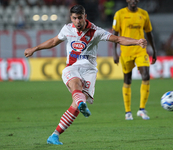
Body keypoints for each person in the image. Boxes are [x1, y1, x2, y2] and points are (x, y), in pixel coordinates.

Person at [24, 4, 147, 145]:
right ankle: (81, 102)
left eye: (80, 18)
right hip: (72, 67)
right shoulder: (67, 29)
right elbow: (53, 41)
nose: (77, 21)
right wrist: (34, 48)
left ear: (85, 17)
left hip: (89, 71)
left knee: (75, 105)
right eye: (75, 18)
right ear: (71, 18)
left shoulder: (95, 31)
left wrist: (137, 41)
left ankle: (55, 135)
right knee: (76, 85)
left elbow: (118, 39)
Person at [112, 0, 157, 120]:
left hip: (141, 50)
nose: (133, 1)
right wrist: (114, 53)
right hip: (126, 52)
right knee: (127, 79)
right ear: (127, 0)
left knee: (146, 76)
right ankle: (128, 112)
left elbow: (149, 33)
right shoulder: (119, 14)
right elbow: (115, 34)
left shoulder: (144, 14)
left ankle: (142, 109)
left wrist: (154, 50)